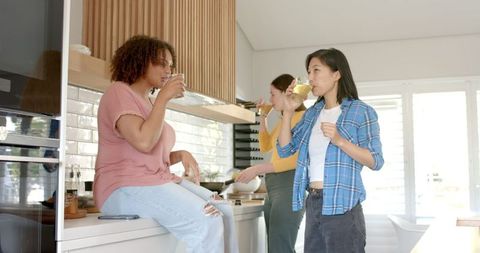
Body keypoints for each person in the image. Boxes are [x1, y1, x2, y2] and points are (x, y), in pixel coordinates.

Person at [94, 35, 239, 253]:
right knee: (206, 220)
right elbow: (143, 142)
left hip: (151, 180)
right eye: (161, 63)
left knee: (224, 210)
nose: (168, 70)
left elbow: (146, 154)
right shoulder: (118, 92)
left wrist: (179, 154)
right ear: (140, 61)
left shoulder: (149, 102)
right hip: (121, 187)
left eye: (170, 65)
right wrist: (163, 99)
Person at [277, 48, 384, 253]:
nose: (310, 78)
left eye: (316, 70)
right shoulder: (312, 114)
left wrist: (340, 140)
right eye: (308, 72)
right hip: (314, 202)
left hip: (343, 205)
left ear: (336, 74)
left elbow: (376, 161)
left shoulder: (361, 112)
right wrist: (288, 112)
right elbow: (285, 149)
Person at [235, 74, 306, 253]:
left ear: (285, 93)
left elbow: (297, 159)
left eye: (273, 94)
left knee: (280, 247)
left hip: (289, 185)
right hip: (274, 186)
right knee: (275, 247)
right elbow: (265, 146)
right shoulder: (285, 120)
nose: (270, 99)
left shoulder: (303, 117)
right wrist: (263, 116)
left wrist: (259, 168)